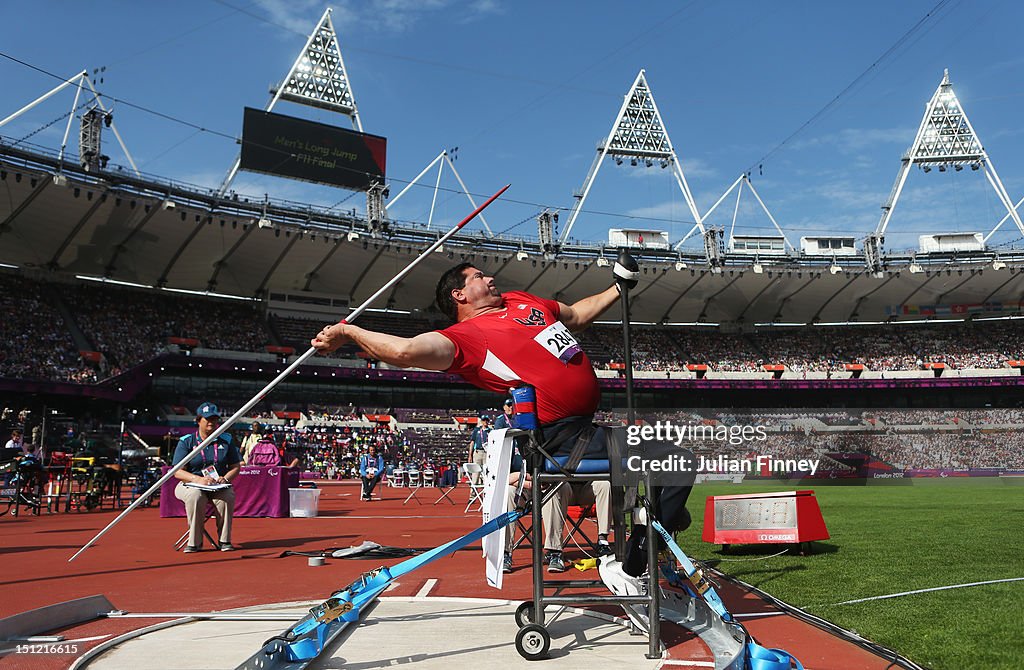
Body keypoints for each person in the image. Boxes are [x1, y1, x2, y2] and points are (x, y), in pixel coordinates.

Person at [311, 260, 670, 573]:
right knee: (673, 461)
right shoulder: (464, 338)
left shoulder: (522, 300)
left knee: (673, 462)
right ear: (459, 295)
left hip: (589, 428)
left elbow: (577, 314)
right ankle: (642, 551)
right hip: (558, 438)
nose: (490, 279)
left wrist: (618, 287)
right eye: (479, 277)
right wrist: (348, 331)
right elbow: (404, 352)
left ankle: (651, 532)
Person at [172, 402, 241, 553]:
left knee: (227, 496)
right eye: (207, 419)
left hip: (217, 485)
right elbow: (177, 472)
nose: (212, 422)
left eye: (215, 419)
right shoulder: (186, 441)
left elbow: (236, 466)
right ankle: (195, 542)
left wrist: (226, 478)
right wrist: (197, 480)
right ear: (198, 420)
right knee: (196, 496)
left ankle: (224, 540)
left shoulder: (226, 440)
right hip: (190, 484)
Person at [467, 415, 490, 485]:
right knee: (475, 473)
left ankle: (487, 493)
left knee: (487, 472)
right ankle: (473, 494)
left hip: (487, 453)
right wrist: (470, 455)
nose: (485, 422)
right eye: (484, 420)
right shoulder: (476, 430)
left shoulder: (491, 431)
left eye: (487, 420)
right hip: (478, 452)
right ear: (481, 421)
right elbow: (472, 442)